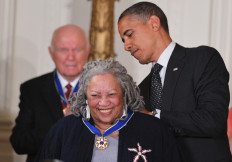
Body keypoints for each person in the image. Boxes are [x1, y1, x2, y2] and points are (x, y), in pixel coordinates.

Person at [118, 2, 231, 162]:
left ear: (154, 24)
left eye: (129, 34)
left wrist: (155, 117)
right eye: (123, 40)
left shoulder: (202, 59)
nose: (126, 46)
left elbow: (212, 119)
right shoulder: (141, 89)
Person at [35, 59, 183, 162]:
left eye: (112, 94)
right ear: (85, 96)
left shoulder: (155, 130)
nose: (104, 102)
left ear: (124, 93)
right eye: (95, 95)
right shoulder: (63, 130)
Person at [10, 24, 90, 162]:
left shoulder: (104, 89)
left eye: (77, 49)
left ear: (88, 50)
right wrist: (61, 126)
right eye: (63, 50)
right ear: (51, 52)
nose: (71, 57)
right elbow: (19, 142)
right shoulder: (32, 89)